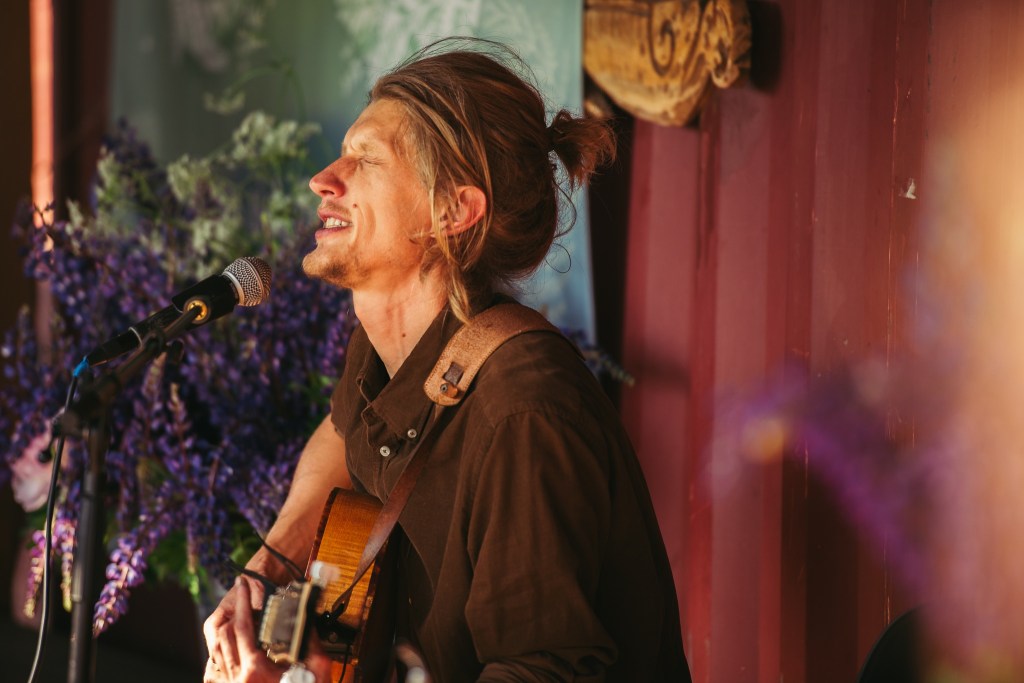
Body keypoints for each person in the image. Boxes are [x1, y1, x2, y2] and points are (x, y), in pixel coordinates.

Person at [204, 37, 689, 682]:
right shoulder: (385, 352)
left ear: (453, 211)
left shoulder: (523, 413)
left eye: (365, 159)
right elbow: (344, 433)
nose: (323, 178)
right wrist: (267, 569)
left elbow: (538, 672)